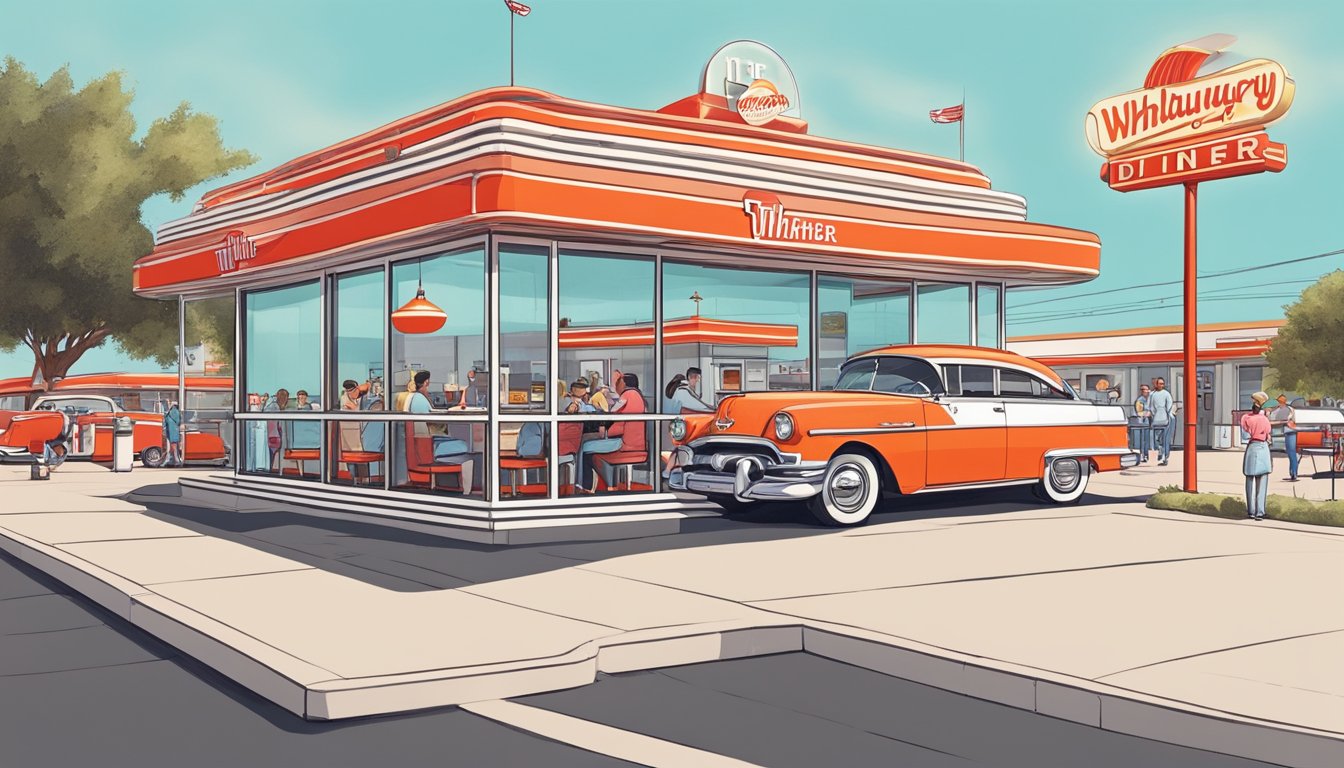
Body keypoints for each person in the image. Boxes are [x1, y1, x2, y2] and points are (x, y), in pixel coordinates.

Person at [581, 372, 647, 492]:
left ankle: (586, 486)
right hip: (637, 442)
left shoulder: (627, 395)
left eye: (619, 382)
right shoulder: (640, 397)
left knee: (585, 447)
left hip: (624, 442)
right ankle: (602, 484)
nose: (616, 385)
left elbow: (614, 416)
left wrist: (605, 431)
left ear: (624, 383)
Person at [1240, 392, 1273, 520]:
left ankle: (1250, 511)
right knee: (1262, 478)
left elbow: (1245, 436)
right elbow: (1268, 434)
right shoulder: (1264, 420)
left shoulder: (1245, 419)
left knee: (1249, 479)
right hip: (1262, 447)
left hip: (1251, 447)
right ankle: (1260, 511)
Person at [339, 380, 367, 481]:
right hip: (348, 433)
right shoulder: (345, 400)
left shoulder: (359, 398)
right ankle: (354, 479)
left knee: (361, 457)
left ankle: (363, 479)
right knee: (351, 458)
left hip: (358, 432)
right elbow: (356, 410)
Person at [1267, 393, 1300, 481]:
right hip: (1291, 432)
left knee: (1291, 453)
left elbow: (1280, 420)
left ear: (1281, 402)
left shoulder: (1285, 410)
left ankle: (1294, 473)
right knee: (1292, 453)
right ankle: (1293, 473)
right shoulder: (1289, 409)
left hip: (1290, 432)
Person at [1147, 377, 1175, 466]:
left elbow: (1169, 406)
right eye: (1160, 383)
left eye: (1163, 384)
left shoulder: (1166, 394)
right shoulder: (1152, 394)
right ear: (1156, 384)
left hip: (1165, 419)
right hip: (1156, 420)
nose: (1161, 385)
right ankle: (1159, 452)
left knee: (1165, 440)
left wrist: (1166, 414)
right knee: (1156, 439)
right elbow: (1150, 406)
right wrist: (1153, 414)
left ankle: (1165, 458)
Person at [1133, 384, 1152, 463]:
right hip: (1142, 422)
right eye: (1143, 390)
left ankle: (1146, 455)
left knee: (1146, 440)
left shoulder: (1150, 399)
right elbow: (1139, 412)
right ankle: (1142, 455)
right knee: (1142, 440)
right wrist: (1146, 413)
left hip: (1147, 422)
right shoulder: (1140, 400)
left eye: (1146, 389)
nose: (1145, 391)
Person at [162, 400, 183, 467]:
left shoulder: (171, 412)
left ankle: (176, 460)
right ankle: (173, 460)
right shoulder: (175, 412)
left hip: (171, 431)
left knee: (173, 446)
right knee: (173, 446)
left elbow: (166, 421)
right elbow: (178, 422)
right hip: (173, 431)